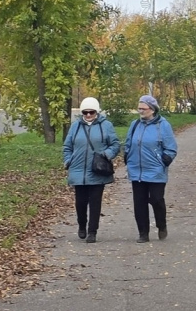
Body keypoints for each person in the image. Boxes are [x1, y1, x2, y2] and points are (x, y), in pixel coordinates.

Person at [62, 97, 120, 243]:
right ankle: (82, 225)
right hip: (78, 170)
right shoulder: (75, 126)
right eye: (85, 112)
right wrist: (68, 160)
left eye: (91, 112)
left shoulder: (106, 126)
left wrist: (107, 155)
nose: (88, 115)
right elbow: (67, 146)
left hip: (97, 170)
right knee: (80, 202)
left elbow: (115, 144)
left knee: (95, 202)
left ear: (97, 112)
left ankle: (92, 231)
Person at [124, 95, 178, 243]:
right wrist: (127, 155)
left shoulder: (163, 125)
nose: (140, 111)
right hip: (137, 170)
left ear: (152, 109)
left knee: (156, 199)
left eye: (143, 108)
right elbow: (128, 143)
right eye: (139, 108)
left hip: (155, 170)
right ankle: (143, 233)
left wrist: (165, 160)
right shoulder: (135, 124)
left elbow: (171, 148)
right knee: (139, 202)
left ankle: (161, 225)